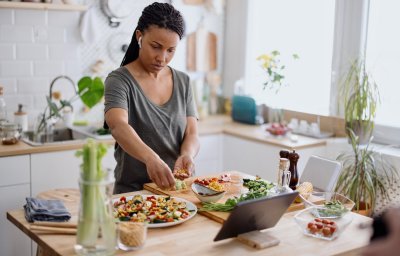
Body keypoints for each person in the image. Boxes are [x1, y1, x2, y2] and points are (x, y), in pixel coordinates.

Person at [104, 2, 200, 193]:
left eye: (170, 50)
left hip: (175, 191)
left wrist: (187, 154)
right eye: (156, 47)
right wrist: (151, 159)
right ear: (140, 36)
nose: (162, 58)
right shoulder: (119, 80)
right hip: (132, 193)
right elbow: (118, 126)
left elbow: (191, 132)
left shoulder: (183, 81)